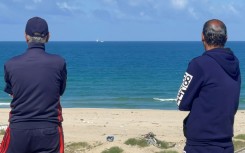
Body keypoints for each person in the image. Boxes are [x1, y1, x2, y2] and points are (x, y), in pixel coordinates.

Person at [0, 17, 67, 153]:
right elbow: (60, 91)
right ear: (48, 37)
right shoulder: (59, 62)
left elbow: (12, 92)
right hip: (49, 128)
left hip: (19, 129)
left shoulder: (11, 64)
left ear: (26, 36)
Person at [176, 19, 241, 153]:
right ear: (226, 38)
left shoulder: (198, 64)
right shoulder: (235, 63)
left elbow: (181, 102)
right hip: (226, 142)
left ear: (202, 37)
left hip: (201, 144)